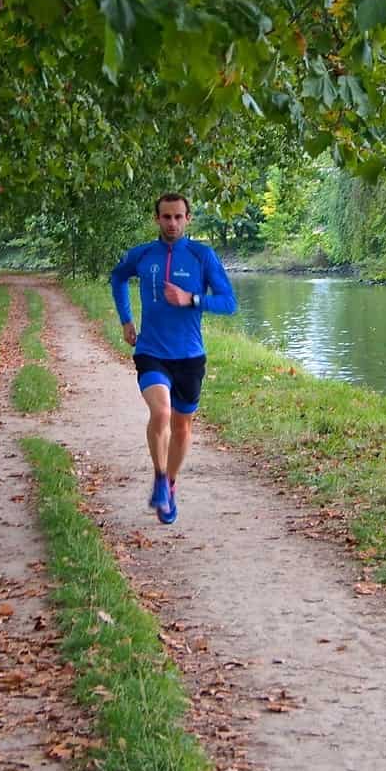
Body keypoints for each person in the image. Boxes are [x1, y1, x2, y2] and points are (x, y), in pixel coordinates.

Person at [109, 193, 237, 524]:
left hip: (190, 356)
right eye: (166, 217)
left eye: (178, 217)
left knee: (182, 426)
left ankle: (170, 483)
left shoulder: (201, 255)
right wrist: (126, 319)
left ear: (188, 219)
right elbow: (117, 277)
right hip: (151, 351)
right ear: (157, 219)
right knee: (161, 412)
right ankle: (159, 476)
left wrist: (191, 299)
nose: (172, 223)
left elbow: (229, 303)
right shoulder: (143, 255)